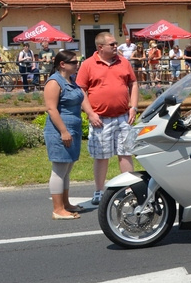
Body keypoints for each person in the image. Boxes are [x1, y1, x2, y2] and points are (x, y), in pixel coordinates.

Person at [76, 31, 139, 205]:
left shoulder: (123, 62)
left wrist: (133, 107)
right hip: (100, 119)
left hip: (123, 117)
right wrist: (90, 113)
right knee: (101, 156)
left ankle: (129, 190)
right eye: (112, 44)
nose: (115, 47)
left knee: (125, 153)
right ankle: (98, 190)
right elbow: (81, 89)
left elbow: (133, 83)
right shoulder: (88, 64)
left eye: (115, 43)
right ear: (100, 47)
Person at [43, 50, 86, 220]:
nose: (77, 65)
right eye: (74, 62)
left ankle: (65, 204)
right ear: (62, 64)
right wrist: (63, 131)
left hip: (72, 129)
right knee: (59, 169)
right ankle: (57, 209)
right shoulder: (54, 82)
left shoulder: (71, 81)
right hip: (60, 130)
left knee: (67, 169)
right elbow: (52, 109)